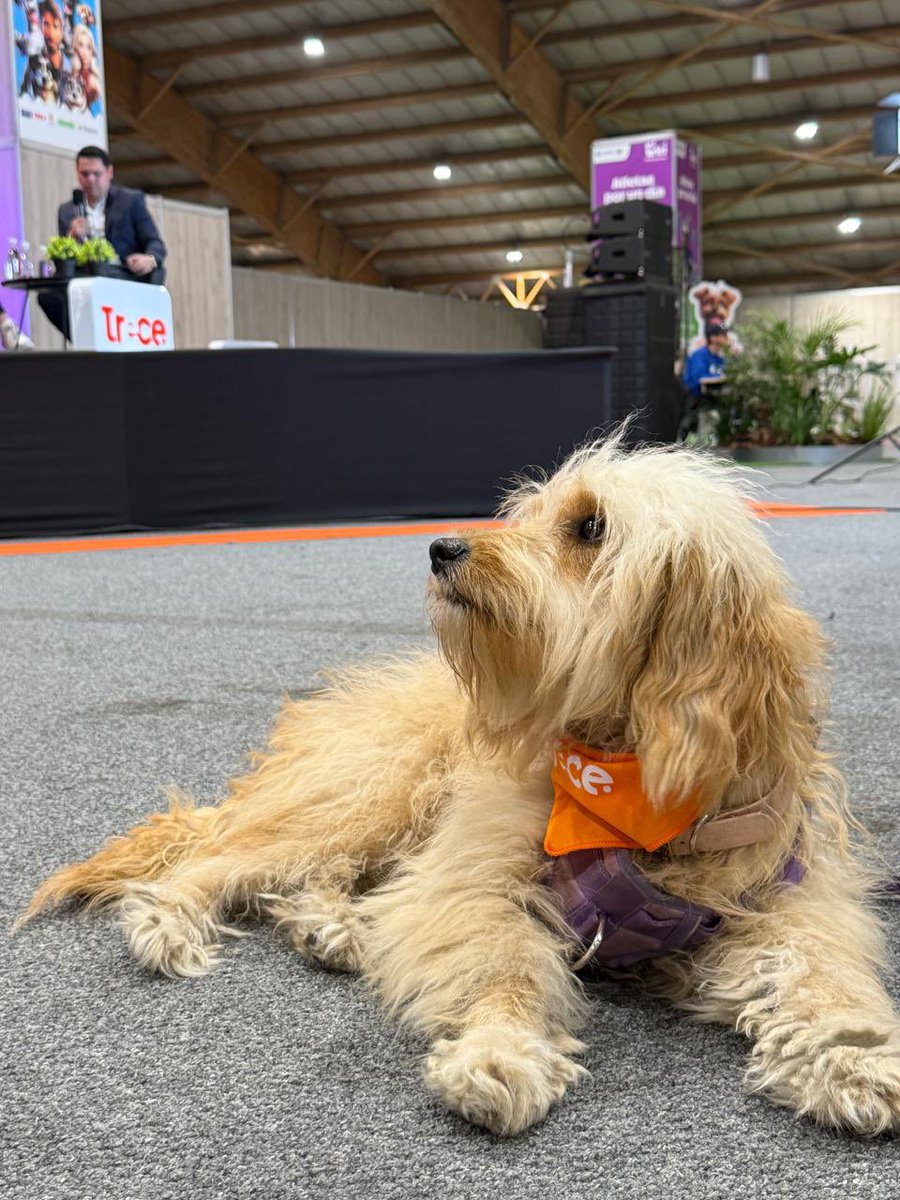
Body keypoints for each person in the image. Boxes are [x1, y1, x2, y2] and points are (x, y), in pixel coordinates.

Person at [37, 145, 167, 340]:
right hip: (85, 277)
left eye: (96, 174)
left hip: (121, 273)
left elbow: (156, 244)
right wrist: (71, 238)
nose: (90, 180)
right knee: (47, 297)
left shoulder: (131, 201)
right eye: (84, 174)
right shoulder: (67, 210)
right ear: (77, 174)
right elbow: (64, 260)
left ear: (109, 173)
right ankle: (85, 340)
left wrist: (148, 259)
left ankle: (103, 339)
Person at [682, 323, 730, 399]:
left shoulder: (720, 358)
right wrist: (721, 377)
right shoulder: (700, 355)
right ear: (712, 338)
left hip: (712, 398)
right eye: (723, 335)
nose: (727, 338)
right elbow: (699, 377)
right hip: (695, 400)